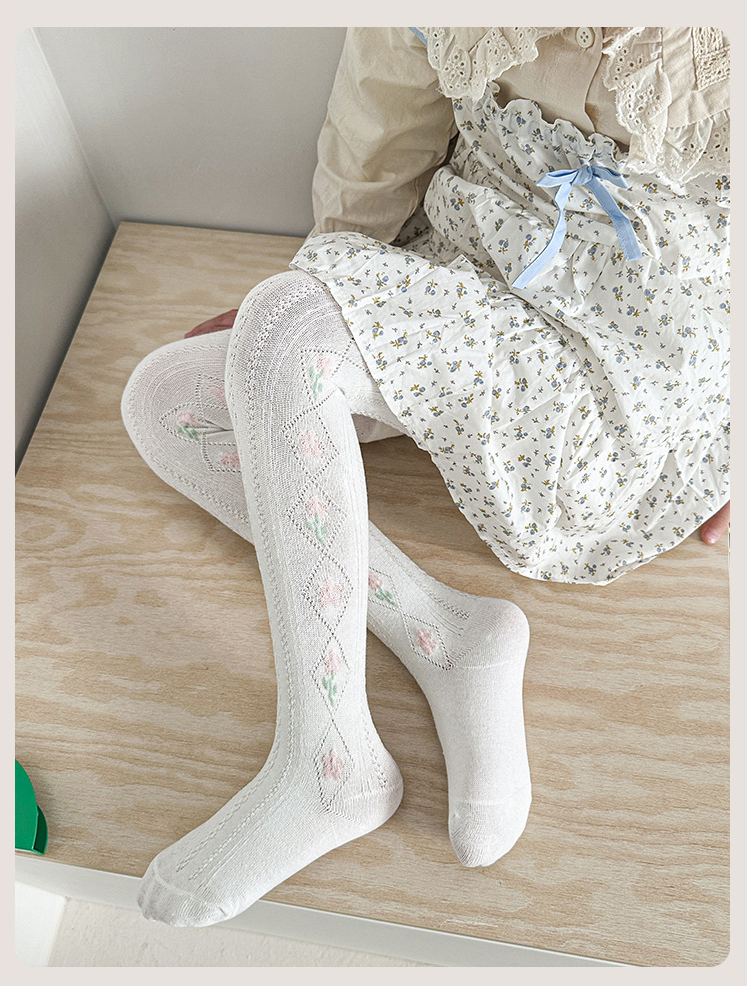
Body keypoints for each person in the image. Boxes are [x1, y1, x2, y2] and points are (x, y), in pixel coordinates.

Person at [121, 27, 730, 926]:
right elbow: (378, 127)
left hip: (633, 340)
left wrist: (298, 331)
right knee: (167, 400)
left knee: (284, 338)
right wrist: (318, 299)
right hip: (470, 258)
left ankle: (327, 766)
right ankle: (446, 635)